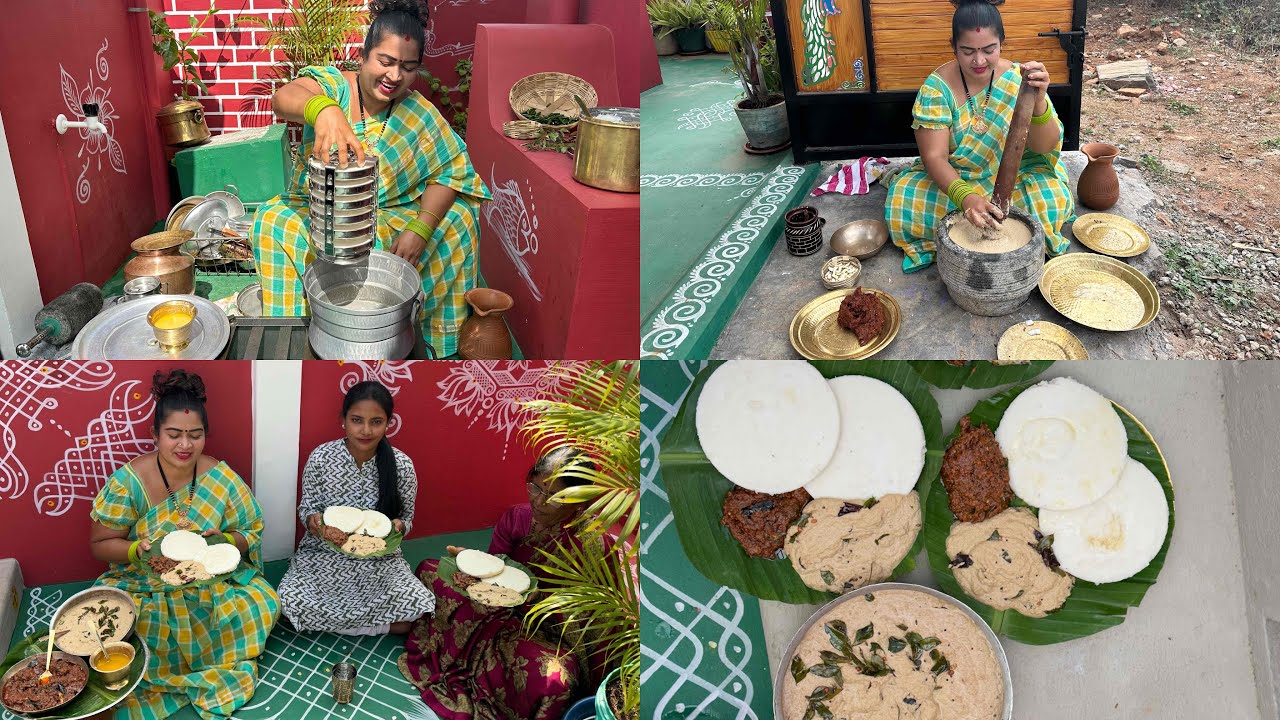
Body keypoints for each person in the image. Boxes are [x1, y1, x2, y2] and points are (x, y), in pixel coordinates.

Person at [252, 0, 491, 357]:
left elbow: (451, 171)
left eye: (408, 67)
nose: (395, 76)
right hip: (322, 211)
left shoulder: (417, 112)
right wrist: (324, 110)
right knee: (271, 222)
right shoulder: (333, 87)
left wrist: (422, 228)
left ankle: (427, 338)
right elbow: (283, 97)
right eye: (386, 61)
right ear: (363, 57)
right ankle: (299, 329)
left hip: (391, 210)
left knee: (459, 220)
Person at [88, 370, 279, 720]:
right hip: (146, 584)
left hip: (210, 583)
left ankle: (211, 660)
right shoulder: (129, 482)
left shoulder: (219, 476)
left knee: (260, 603)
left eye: (195, 435)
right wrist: (137, 550)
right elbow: (100, 544)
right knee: (136, 628)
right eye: (173, 435)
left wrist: (222, 540)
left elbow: (250, 531)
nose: (185, 445)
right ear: (155, 434)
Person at [399, 447, 605, 720]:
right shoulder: (517, 518)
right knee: (429, 571)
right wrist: (471, 562)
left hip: (544, 628)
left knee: (555, 680)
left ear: (578, 502)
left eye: (555, 498)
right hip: (497, 603)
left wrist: (535, 601)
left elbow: (584, 616)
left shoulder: (591, 543)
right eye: (536, 488)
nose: (540, 502)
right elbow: (496, 569)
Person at [883, 0, 1074, 273]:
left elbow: (1044, 146)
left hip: (1012, 179)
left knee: (1049, 200)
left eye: (989, 50)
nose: (979, 60)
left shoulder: (1019, 79)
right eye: (968, 51)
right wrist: (967, 198)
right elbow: (934, 157)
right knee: (904, 200)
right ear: (953, 46)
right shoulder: (936, 89)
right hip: (954, 180)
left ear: (1002, 43)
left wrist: (1039, 100)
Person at [275, 380, 435, 634]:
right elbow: (307, 508)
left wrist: (400, 526)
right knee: (287, 600)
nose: (366, 430)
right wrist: (312, 521)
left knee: (418, 602)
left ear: (388, 423)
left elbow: (408, 518)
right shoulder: (321, 458)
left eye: (376, 422)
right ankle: (380, 626)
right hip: (323, 555)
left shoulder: (402, 466)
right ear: (344, 420)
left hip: (378, 559)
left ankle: (335, 623)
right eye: (357, 420)